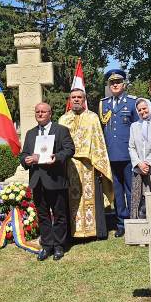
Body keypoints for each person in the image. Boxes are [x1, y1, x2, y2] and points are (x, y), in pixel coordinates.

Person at [20, 102, 75, 261]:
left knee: (59, 214)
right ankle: (47, 245)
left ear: (50, 113)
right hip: (37, 180)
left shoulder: (61, 130)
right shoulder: (31, 133)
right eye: (37, 111)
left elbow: (70, 149)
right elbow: (24, 153)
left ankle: (59, 246)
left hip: (55, 179)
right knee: (43, 215)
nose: (40, 114)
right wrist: (26, 160)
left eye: (43, 111)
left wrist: (56, 157)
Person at [59, 88, 113, 240]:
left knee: (90, 197)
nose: (76, 99)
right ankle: (73, 233)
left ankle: (94, 232)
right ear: (70, 100)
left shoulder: (92, 117)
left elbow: (99, 141)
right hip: (69, 165)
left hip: (89, 165)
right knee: (71, 199)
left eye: (79, 97)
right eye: (73, 97)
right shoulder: (63, 119)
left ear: (84, 100)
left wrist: (100, 164)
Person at [99, 69, 139, 237]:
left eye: (118, 82)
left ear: (124, 84)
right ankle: (121, 223)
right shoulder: (104, 104)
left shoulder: (132, 102)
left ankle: (134, 221)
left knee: (131, 190)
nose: (115, 85)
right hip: (111, 155)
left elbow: (138, 129)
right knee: (116, 192)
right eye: (112, 83)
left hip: (128, 155)